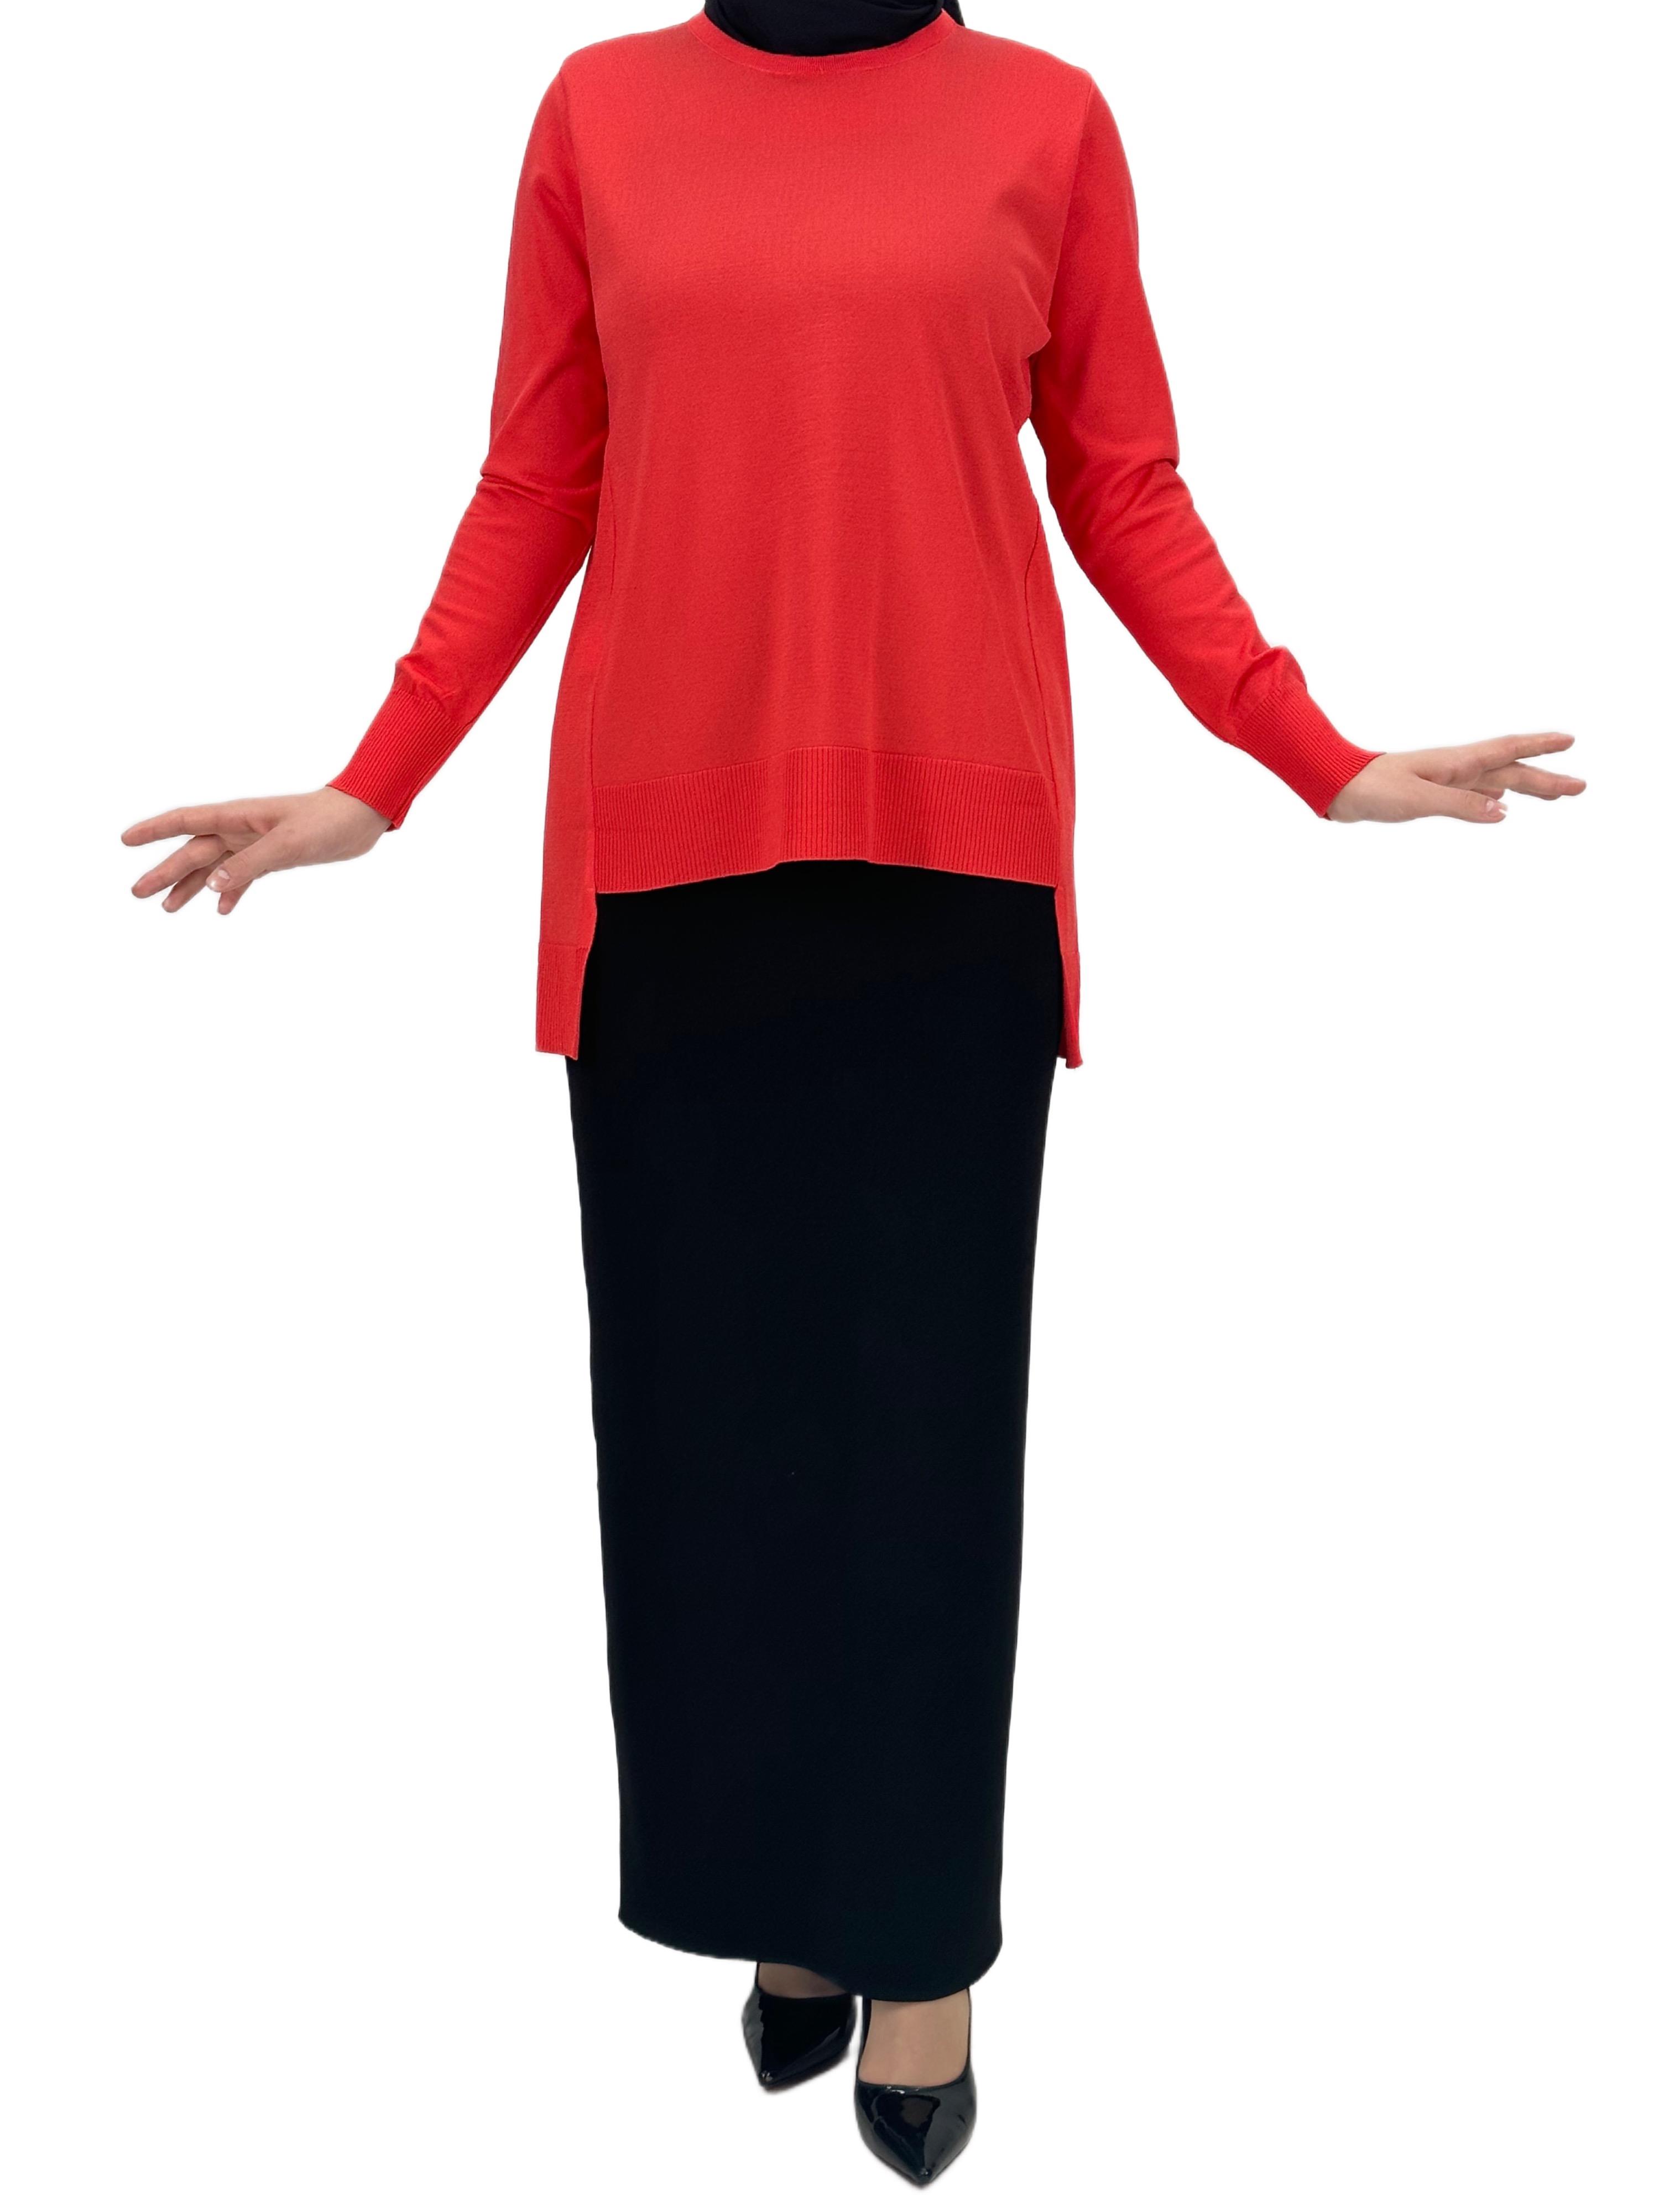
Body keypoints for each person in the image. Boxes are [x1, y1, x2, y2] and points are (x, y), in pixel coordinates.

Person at [121, 0, 1584, 2185]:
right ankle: (781, 1899)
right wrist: (378, 779)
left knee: (920, 1441)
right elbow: (539, 479)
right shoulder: (599, 112)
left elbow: (1122, 483)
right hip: (668, 874)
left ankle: (919, 1949)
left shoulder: (1046, 122)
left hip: (950, 869)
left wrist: (1314, 752)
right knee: (705, 1448)